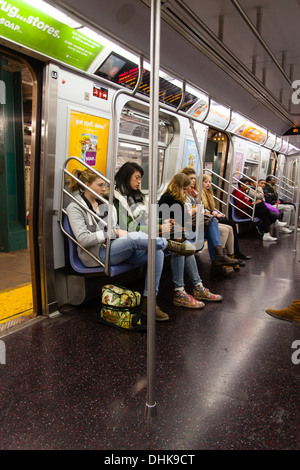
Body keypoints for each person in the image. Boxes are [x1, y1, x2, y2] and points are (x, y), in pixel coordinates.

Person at [66, 168, 193, 323]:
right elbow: (84, 239)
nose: (104, 189)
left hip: (115, 248)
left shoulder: (106, 204)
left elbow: (120, 228)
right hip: (97, 254)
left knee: (156, 252)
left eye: (104, 185)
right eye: (100, 185)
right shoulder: (75, 207)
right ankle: (168, 245)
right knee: (136, 238)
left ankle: (149, 302)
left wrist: (117, 233)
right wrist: (114, 233)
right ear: (86, 185)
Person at [111, 162, 197, 320]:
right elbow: (129, 228)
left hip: (142, 238)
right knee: (179, 245)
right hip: (126, 243)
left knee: (160, 251)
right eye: (136, 178)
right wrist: (158, 229)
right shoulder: (116, 200)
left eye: (140, 178)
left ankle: (149, 301)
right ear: (126, 176)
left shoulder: (136, 197)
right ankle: (172, 248)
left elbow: (145, 219)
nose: (139, 182)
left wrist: (162, 222)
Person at [158, 172, 223, 308]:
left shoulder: (178, 199)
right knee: (182, 247)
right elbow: (164, 222)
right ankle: (180, 291)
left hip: (176, 233)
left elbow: (182, 222)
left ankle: (196, 286)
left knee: (186, 246)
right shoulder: (167, 199)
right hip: (164, 233)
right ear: (177, 186)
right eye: (184, 189)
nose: (186, 192)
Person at [181, 167, 246, 268]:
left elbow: (201, 208)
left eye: (194, 178)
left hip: (201, 219)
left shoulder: (195, 193)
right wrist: (198, 211)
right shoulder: (186, 194)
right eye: (191, 178)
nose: (193, 181)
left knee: (227, 226)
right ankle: (218, 260)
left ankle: (228, 256)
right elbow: (189, 212)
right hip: (193, 223)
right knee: (222, 228)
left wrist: (206, 212)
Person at [201, 172, 250, 263]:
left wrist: (216, 212)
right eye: (205, 182)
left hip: (210, 217)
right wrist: (214, 213)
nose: (208, 184)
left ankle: (232, 254)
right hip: (207, 219)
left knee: (230, 226)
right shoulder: (200, 194)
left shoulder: (208, 194)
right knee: (228, 226)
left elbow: (209, 209)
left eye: (210, 182)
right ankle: (221, 256)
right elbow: (204, 210)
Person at [232, 176, 277, 241]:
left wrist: (253, 203)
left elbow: (246, 201)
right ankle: (273, 220)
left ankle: (266, 233)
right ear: (242, 185)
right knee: (263, 208)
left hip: (248, 209)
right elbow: (241, 205)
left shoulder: (243, 191)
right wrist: (252, 204)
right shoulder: (238, 192)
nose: (248, 186)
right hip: (245, 213)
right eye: (247, 184)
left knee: (265, 214)